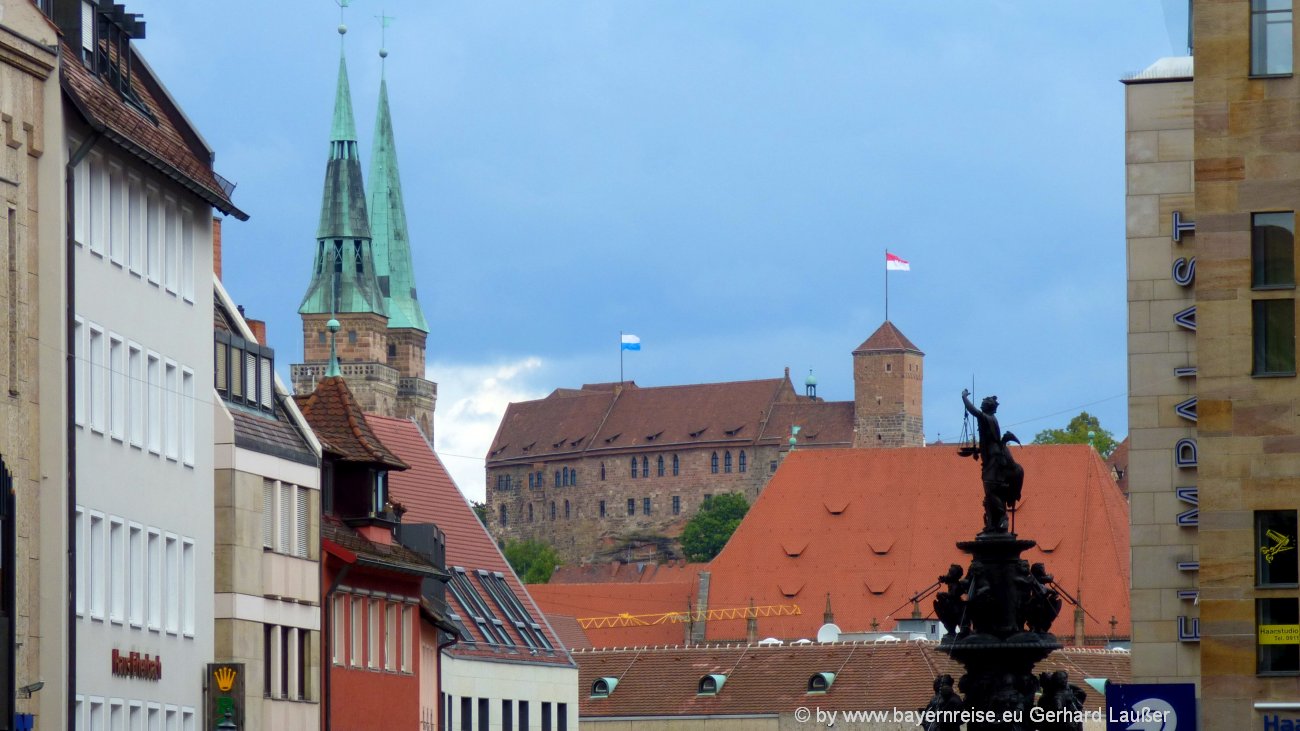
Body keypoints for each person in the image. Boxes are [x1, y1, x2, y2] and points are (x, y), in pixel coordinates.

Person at [962, 389, 1024, 533]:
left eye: (984, 404)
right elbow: (988, 441)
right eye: (982, 403)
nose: (982, 405)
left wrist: (964, 398)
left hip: (994, 458)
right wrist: (978, 451)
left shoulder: (988, 418)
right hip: (990, 456)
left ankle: (1003, 517)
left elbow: (973, 411)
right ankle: (992, 524)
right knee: (989, 494)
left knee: (990, 490)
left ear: (988, 407)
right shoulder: (990, 419)